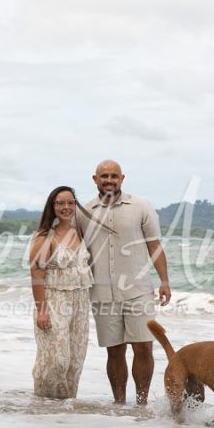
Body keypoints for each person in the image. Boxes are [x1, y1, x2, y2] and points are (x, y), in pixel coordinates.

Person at [80, 160, 171, 405]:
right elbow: (76, 249)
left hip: (138, 290)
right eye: (104, 176)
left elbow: (154, 245)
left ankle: (141, 404)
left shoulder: (141, 206)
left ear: (122, 178)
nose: (109, 180)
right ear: (95, 179)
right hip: (101, 292)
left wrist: (164, 281)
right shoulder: (84, 211)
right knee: (114, 351)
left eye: (114, 176)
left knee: (143, 347)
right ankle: (119, 404)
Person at [29, 186, 94, 399]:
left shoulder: (80, 231)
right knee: (58, 359)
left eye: (70, 202)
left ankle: (66, 408)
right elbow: (36, 274)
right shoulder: (45, 237)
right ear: (52, 206)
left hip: (80, 302)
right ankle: (43, 402)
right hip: (54, 300)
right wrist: (42, 311)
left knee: (75, 360)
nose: (66, 207)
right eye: (60, 203)